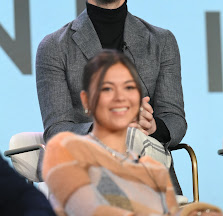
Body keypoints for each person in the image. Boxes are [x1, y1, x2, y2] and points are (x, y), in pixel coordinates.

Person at [36, 0, 187, 192]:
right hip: (87, 183)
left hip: (154, 184)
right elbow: (57, 131)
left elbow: (175, 119)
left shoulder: (162, 41)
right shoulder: (53, 47)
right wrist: (108, 126)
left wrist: (152, 127)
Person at [42, 50, 222, 216]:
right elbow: (91, 209)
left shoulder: (153, 169)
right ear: (86, 100)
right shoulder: (66, 149)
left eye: (129, 88)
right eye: (107, 88)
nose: (120, 97)